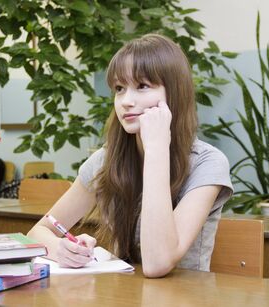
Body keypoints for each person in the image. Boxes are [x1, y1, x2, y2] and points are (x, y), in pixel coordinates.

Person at [27, 33, 233, 278]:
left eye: (143, 86)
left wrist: (156, 149)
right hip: (122, 295)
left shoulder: (207, 163)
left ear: (175, 93)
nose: (126, 101)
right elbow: (37, 233)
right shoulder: (106, 160)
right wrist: (61, 249)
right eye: (119, 88)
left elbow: (157, 264)